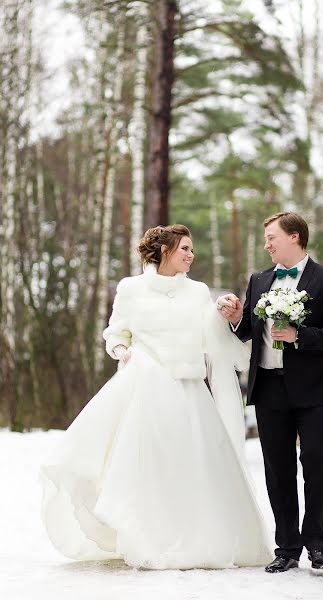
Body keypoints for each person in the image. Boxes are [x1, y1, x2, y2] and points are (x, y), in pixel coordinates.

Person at [41, 224, 272, 570]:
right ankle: (145, 535)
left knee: (191, 465)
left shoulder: (197, 292)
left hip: (189, 390)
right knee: (145, 465)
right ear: (164, 250)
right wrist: (120, 348)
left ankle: (197, 536)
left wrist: (223, 312)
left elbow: (211, 335)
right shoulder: (130, 289)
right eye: (185, 249)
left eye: (192, 250)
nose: (191, 256)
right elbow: (116, 331)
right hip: (145, 388)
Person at [218, 212, 323, 573]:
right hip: (269, 388)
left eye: (271, 237)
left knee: (314, 464)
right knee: (277, 470)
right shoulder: (259, 279)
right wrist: (233, 316)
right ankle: (287, 548)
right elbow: (246, 329)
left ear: (294, 237)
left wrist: (300, 337)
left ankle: (317, 545)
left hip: (314, 391)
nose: (266, 244)